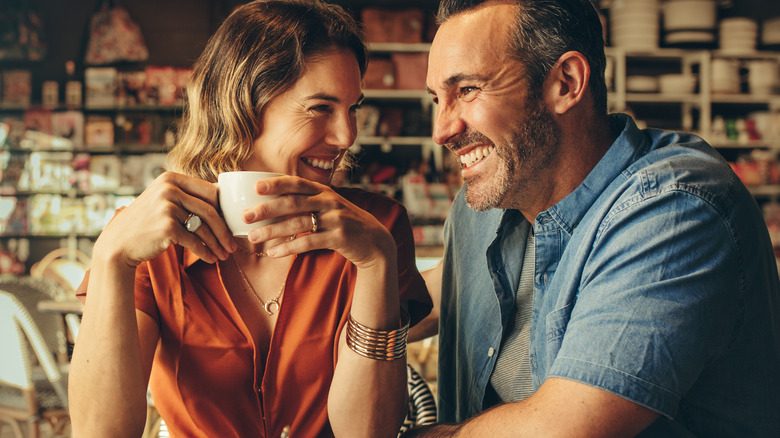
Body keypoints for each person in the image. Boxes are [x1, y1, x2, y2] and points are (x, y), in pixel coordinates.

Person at [406, 0, 780, 436]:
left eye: (467, 90)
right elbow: (442, 290)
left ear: (565, 83)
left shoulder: (674, 211)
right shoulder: (491, 203)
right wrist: (360, 273)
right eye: (437, 99)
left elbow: (562, 429)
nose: (442, 130)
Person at [68, 1, 431, 437]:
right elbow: (100, 432)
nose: (347, 136)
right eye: (321, 108)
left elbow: (367, 432)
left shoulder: (376, 229)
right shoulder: (151, 238)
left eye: (352, 108)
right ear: (243, 105)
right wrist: (110, 256)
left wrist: (376, 264)